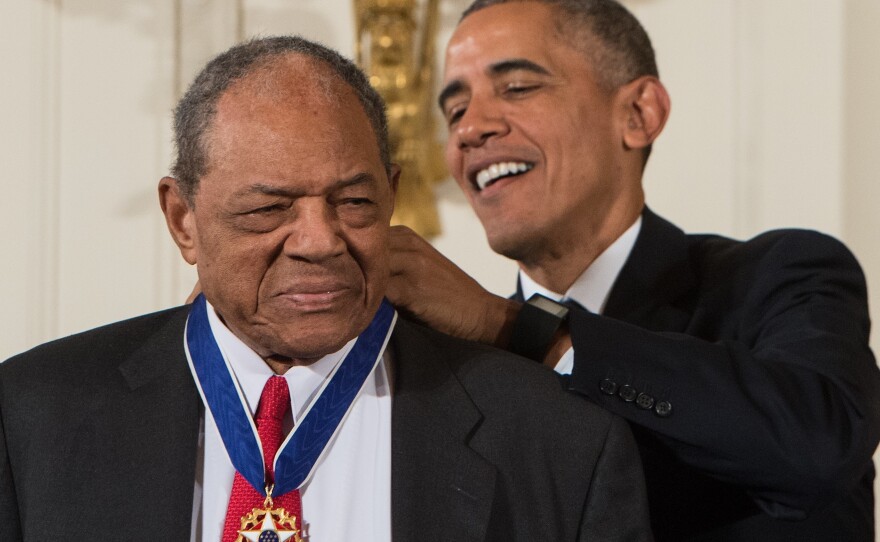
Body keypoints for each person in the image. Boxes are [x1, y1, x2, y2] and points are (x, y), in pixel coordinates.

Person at [0, 36, 652, 541]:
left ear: (393, 194)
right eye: (267, 210)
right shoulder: (31, 418)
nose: (320, 240)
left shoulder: (558, 439)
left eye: (355, 202)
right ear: (183, 220)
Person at [387, 1, 880, 540]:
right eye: (455, 111)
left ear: (639, 114)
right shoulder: (443, 366)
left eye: (518, 87)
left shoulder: (782, 277)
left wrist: (519, 329)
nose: (470, 130)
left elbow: (817, 447)